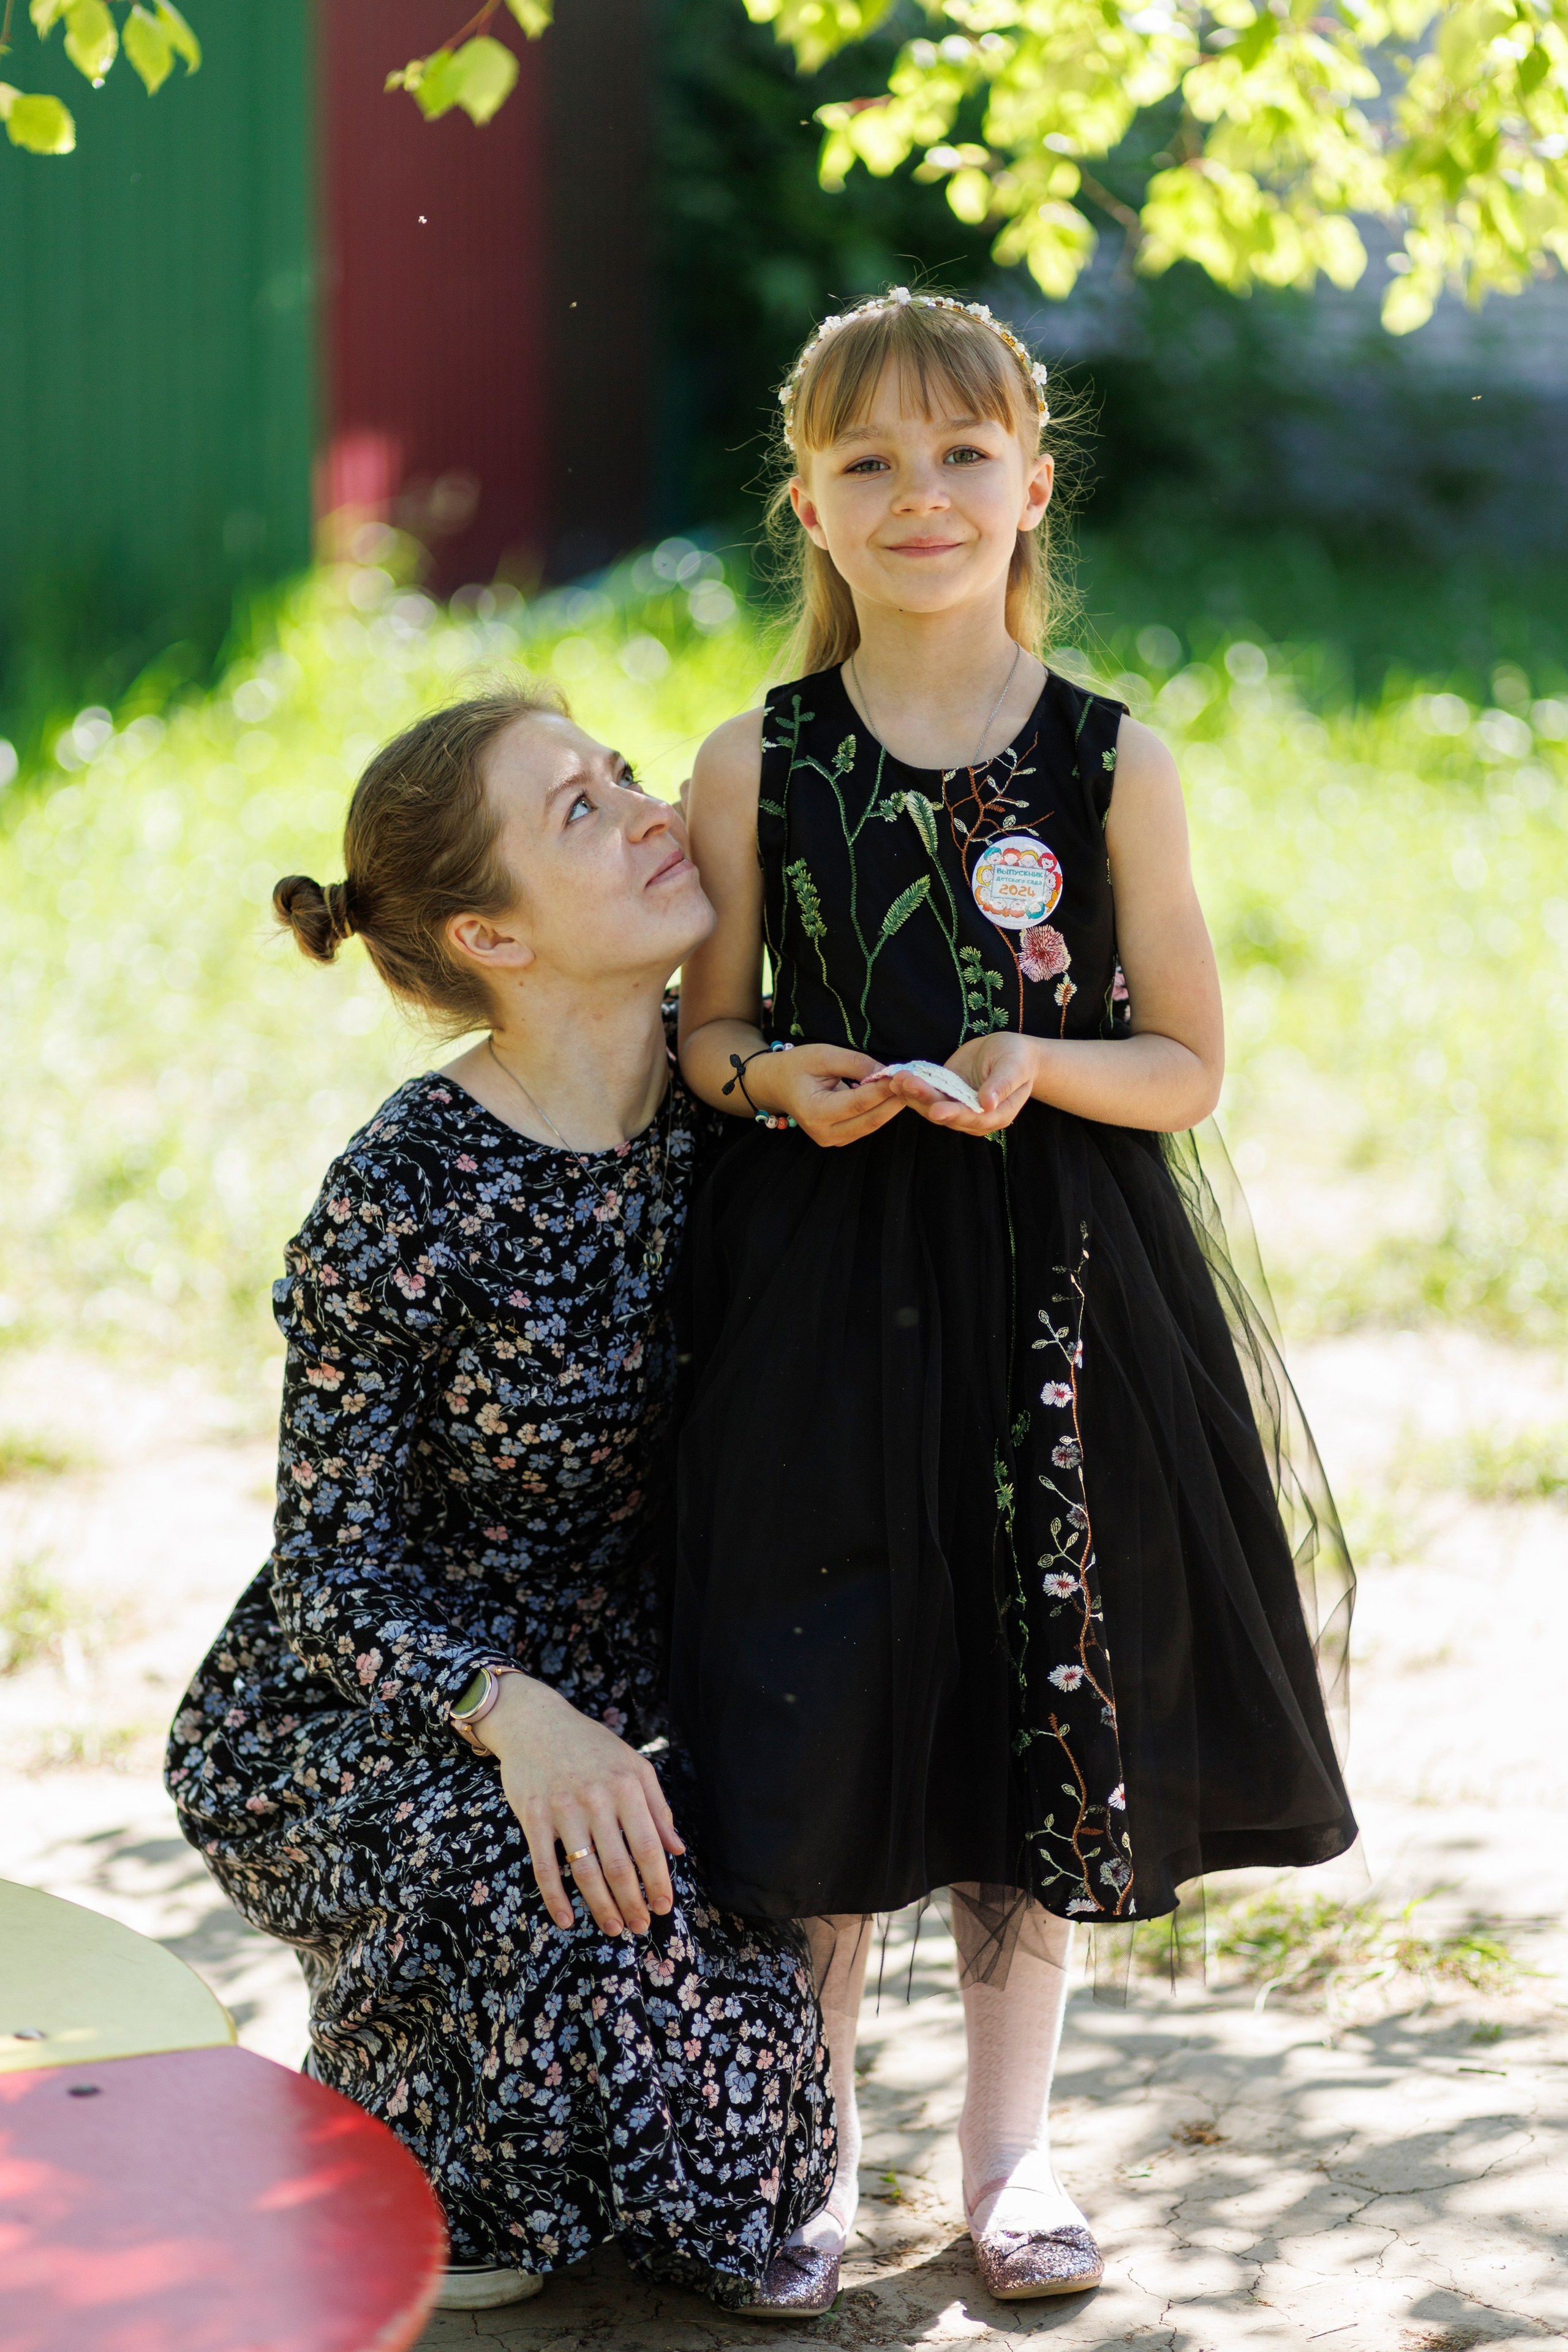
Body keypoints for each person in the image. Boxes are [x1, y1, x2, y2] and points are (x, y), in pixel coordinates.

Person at [672, 289, 1358, 2302]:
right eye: (867, 460)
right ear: (805, 501)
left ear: (1032, 485)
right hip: (813, 1299)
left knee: (1031, 1703)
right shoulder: (757, 761)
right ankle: (812, 2160)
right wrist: (781, 1079)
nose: (919, 494)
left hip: (1057, 1295)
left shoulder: (1110, 758)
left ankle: (1010, 2153)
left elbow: (1189, 1068)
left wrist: (1037, 1068)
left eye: (962, 455)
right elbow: (705, 1040)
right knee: (824, 1697)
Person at [165, 685, 835, 2317]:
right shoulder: (407, 1190)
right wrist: (509, 1714)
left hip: (639, 1697)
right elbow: (330, 1577)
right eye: (580, 815)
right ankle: (400, 2110)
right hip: (381, 1715)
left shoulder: (732, 1120)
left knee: (730, 2189)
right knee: (507, 2194)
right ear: (496, 937)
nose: (645, 806)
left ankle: (511, 2106)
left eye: (617, 772)